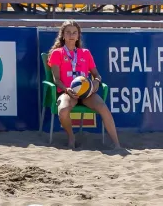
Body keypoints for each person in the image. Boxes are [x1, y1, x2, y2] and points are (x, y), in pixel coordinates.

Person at [47, 20, 121, 151]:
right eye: (68, 32)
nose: (71, 35)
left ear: (78, 36)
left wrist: (96, 82)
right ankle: (71, 137)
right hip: (67, 92)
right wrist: (66, 89)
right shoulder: (57, 53)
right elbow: (56, 79)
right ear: (63, 35)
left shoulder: (85, 53)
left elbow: (97, 75)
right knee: (63, 111)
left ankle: (117, 144)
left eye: (74, 32)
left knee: (103, 107)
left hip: (86, 93)